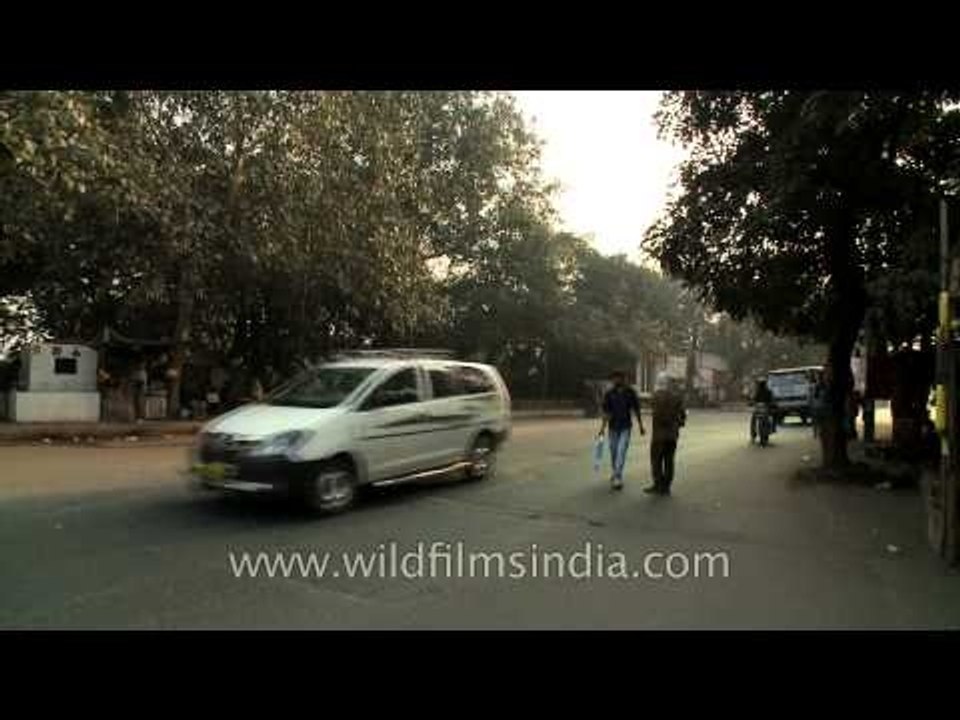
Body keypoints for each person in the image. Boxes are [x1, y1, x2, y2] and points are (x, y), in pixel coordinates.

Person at [597, 370, 645, 490]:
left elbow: (636, 409)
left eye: (619, 378)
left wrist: (640, 425)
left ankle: (618, 477)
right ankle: (615, 472)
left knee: (621, 451)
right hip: (612, 427)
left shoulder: (630, 393)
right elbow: (606, 412)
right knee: (614, 451)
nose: (616, 380)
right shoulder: (609, 394)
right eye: (614, 378)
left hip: (626, 427)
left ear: (623, 379)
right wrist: (602, 428)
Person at [646, 372, 686, 496]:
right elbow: (683, 416)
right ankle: (666, 487)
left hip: (659, 435)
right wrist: (677, 424)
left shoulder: (656, 396)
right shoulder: (677, 396)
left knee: (656, 460)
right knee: (669, 460)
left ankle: (658, 485)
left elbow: (657, 413)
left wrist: (666, 421)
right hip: (672, 435)